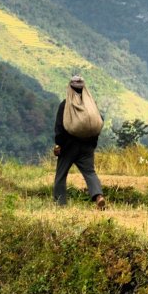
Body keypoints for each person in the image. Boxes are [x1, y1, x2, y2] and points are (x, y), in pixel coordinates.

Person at [53, 75, 106, 209]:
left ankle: (60, 204)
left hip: (68, 146)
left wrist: (59, 144)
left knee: (61, 174)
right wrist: (92, 144)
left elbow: (60, 127)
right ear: (84, 89)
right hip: (87, 146)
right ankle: (98, 196)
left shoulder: (65, 105)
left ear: (70, 89)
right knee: (90, 173)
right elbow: (97, 122)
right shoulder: (91, 105)